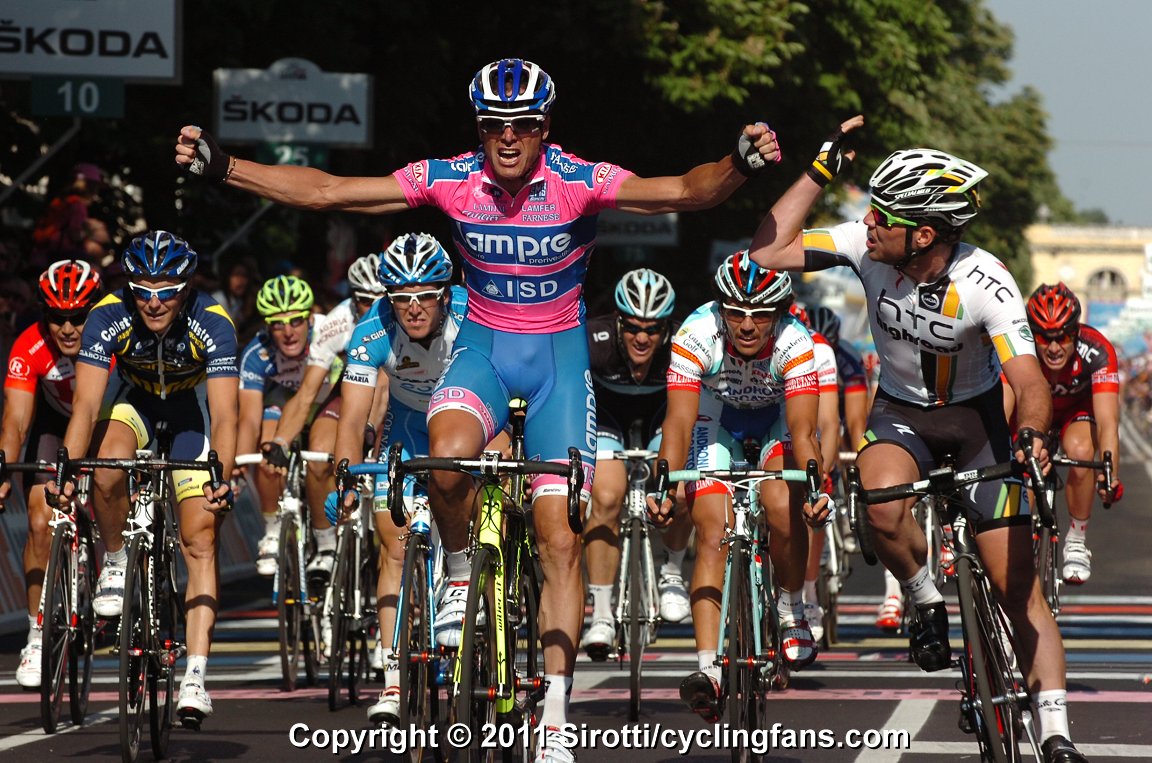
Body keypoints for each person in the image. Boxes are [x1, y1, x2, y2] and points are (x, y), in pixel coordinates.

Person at [175, 57, 781, 761]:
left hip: (558, 362)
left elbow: (684, 189)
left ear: (545, 127)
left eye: (524, 125)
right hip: (485, 351)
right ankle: (461, 569)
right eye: (494, 125)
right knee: (447, 456)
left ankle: (554, 714)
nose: (509, 138)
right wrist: (225, 166)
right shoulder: (453, 178)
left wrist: (738, 162)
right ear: (481, 129)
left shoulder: (579, 183)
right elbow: (330, 190)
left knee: (558, 534)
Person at [747, 114, 1089, 763]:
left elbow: (1029, 377)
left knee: (1020, 590)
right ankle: (924, 593)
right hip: (901, 415)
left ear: (923, 233)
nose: (867, 222)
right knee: (879, 501)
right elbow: (764, 250)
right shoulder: (861, 245)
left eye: (883, 216)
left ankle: (1055, 729)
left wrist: (1036, 434)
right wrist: (820, 169)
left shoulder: (986, 281)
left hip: (977, 422)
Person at [47, 231, 238, 727]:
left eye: (167, 290)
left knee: (199, 540)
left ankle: (195, 674)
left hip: (191, 412)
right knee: (107, 467)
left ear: (186, 286)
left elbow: (225, 411)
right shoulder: (108, 316)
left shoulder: (213, 322)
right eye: (143, 289)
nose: (154, 302)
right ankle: (115, 560)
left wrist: (223, 473)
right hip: (136, 402)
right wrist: (67, 464)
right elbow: (87, 404)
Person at [647, 252, 827, 723]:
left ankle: (791, 609)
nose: (747, 325)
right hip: (715, 417)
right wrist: (664, 482)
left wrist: (814, 488)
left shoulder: (796, 341)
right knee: (710, 531)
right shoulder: (696, 333)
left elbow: (805, 432)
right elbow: (678, 424)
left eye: (761, 313)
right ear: (719, 308)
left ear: (781, 313)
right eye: (736, 312)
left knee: (783, 506)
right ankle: (708, 669)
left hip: (776, 422)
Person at [322, 232, 467, 725]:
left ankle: (476, 586)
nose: (414, 308)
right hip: (406, 430)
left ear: (445, 293)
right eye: (401, 298)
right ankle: (392, 677)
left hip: (468, 421)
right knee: (395, 541)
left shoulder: (471, 317)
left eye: (425, 295)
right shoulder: (371, 330)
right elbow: (352, 417)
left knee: (479, 504)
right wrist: (344, 476)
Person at [579, 268, 693, 660]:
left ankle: (673, 571)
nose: (642, 338)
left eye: (653, 329)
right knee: (607, 497)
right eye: (632, 328)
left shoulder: (683, 342)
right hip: (609, 415)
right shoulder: (594, 339)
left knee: (676, 487)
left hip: (663, 415)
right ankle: (603, 614)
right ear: (617, 321)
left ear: (667, 328)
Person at [0, 260, 103, 688]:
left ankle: (119, 571)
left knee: (120, 492)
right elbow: (16, 421)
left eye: (77, 316)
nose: (66, 327)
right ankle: (38, 634)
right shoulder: (30, 344)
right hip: (53, 426)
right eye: (57, 316)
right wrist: (3, 466)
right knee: (40, 521)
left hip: (106, 423)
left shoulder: (113, 338)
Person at [258, 253, 386, 587]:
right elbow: (306, 395)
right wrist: (281, 442)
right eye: (363, 301)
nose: (372, 308)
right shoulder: (336, 323)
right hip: (352, 392)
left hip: (402, 392)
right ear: (351, 298)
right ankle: (326, 544)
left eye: (380, 299)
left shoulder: (407, 315)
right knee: (317, 455)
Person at [1018, 282, 1122, 584]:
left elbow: (1107, 422)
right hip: (1031, 410)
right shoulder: (1018, 347)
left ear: (1076, 333)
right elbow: (1004, 406)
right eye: (1044, 337)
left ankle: (1076, 538)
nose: (1053, 347)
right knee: (1023, 465)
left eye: (1062, 337)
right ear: (1031, 334)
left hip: (1076, 413)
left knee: (1079, 452)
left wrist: (1109, 472)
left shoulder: (1098, 350)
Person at [236, 275, 332, 577]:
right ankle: (272, 528)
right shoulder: (258, 352)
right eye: (278, 324)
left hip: (325, 400)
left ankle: (327, 539)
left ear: (311, 318)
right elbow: (249, 417)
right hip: (282, 401)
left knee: (323, 454)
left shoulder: (329, 333)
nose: (288, 332)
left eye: (296, 321)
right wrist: (239, 463)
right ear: (267, 327)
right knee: (268, 445)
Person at [30, 163, 111, 271]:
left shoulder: (60, 200)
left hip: (44, 249)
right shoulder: (78, 205)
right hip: (62, 253)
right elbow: (75, 233)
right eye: (95, 186)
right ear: (90, 186)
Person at [211, 256, 262, 344]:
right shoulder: (219, 300)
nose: (241, 280)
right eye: (236, 275)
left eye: (244, 276)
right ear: (227, 278)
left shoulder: (238, 301)